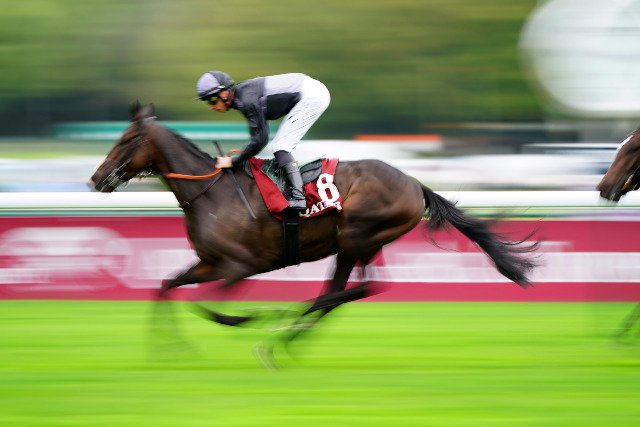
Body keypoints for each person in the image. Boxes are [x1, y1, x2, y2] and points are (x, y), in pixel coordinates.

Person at [195, 70, 331, 211]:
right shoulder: (242, 97)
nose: (211, 106)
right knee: (279, 145)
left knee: (280, 146)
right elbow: (257, 138)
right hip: (309, 91)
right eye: (207, 101)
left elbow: (260, 140)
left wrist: (233, 161)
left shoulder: (246, 100)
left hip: (312, 96)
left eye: (211, 100)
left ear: (224, 93)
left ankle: (299, 198)